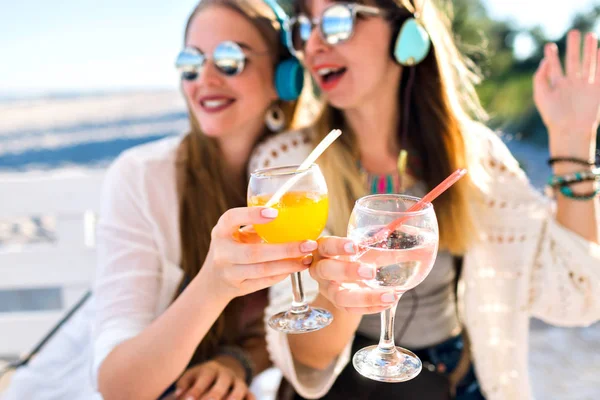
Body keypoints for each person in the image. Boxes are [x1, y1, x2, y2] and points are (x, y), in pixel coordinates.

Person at [249, 0, 600, 399]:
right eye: (303, 27)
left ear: (406, 33)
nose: (312, 44)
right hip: (345, 385)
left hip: (453, 380)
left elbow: (580, 295)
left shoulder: (476, 157)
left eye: (336, 21)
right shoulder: (286, 164)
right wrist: (337, 296)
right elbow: (305, 359)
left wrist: (572, 138)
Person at [2, 1, 313, 399]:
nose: (205, 78)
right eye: (191, 62)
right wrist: (213, 284)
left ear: (285, 76)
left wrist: (237, 360)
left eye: (229, 59)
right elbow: (119, 386)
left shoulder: (305, 179)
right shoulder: (141, 176)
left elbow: (284, 316)